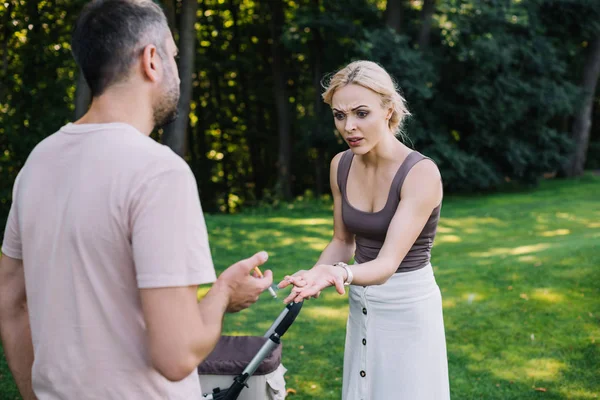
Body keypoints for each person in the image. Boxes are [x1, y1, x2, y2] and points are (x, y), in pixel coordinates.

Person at [0, 1, 273, 399]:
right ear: (151, 60)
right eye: (174, 57)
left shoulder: (38, 161)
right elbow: (177, 354)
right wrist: (222, 295)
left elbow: (10, 303)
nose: (177, 71)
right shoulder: (160, 172)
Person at [278, 60, 451, 399]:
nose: (349, 127)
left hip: (407, 307)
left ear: (388, 110)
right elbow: (343, 241)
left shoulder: (420, 174)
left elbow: (386, 265)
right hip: (361, 300)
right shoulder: (340, 165)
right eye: (340, 116)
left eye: (361, 113)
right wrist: (315, 274)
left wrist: (335, 274)